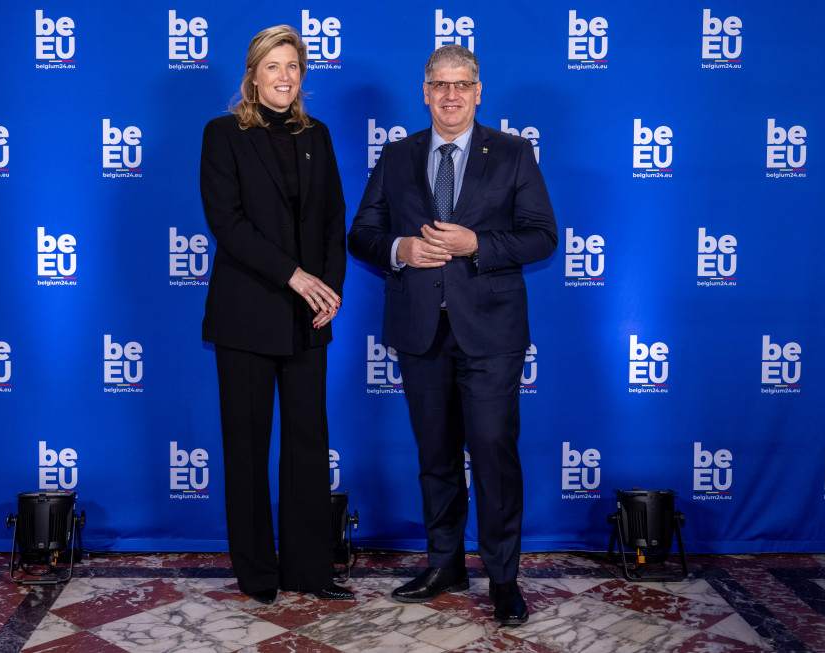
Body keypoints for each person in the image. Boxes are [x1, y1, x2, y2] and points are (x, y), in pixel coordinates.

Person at [348, 44, 557, 626]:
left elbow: (543, 236)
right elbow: (361, 233)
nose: (451, 95)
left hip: (491, 333)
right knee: (435, 456)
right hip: (421, 331)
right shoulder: (396, 156)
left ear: (479, 91)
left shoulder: (514, 153)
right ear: (425, 92)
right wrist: (399, 249)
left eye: (462, 84)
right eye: (440, 84)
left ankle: (504, 578)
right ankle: (445, 563)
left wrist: (478, 246)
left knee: (492, 452)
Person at [199, 25, 352, 604]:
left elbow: (333, 219)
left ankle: (310, 571)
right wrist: (295, 277)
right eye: (273, 66)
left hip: (309, 316)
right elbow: (228, 224)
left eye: (293, 66)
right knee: (247, 447)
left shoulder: (319, 134)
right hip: (247, 316)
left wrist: (329, 290)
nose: (284, 76)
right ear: (253, 74)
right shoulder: (223, 134)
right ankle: (258, 574)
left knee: (309, 444)